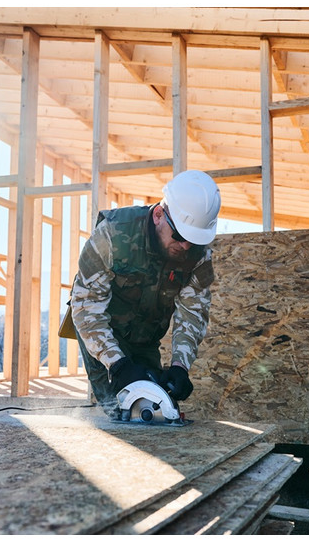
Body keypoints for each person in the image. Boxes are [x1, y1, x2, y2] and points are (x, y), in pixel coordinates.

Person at [69, 169, 221, 417]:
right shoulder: (111, 236)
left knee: (158, 411)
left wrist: (180, 365)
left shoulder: (199, 256)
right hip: (104, 333)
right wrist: (117, 365)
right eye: (180, 236)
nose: (185, 246)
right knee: (122, 411)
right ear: (159, 215)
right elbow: (87, 309)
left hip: (147, 338)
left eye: (193, 240)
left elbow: (193, 313)